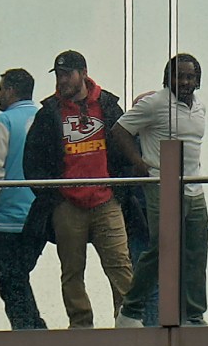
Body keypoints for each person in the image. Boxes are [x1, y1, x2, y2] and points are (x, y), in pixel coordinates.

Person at [21, 49, 142, 327]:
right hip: (67, 203)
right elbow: (33, 160)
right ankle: (80, 324)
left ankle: (129, 320)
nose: (62, 80)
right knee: (72, 270)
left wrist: (118, 191)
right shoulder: (49, 112)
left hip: (106, 200)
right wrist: (54, 196)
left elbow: (126, 148)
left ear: (83, 74)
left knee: (120, 264)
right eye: (59, 75)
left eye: (67, 74)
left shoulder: (109, 106)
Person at [118, 52, 208, 327]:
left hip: (195, 186)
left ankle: (194, 314)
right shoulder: (155, 103)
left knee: (197, 250)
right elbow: (120, 130)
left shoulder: (200, 107)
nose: (184, 81)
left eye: (190, 76)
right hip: (163, 184)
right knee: (162, 246)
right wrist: (137, 162)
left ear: (198, 80)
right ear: (168, 78)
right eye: (179, 76)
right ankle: (131, 309)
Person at [0, 68, 47, 328]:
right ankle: (32, 326)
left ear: (11, 90)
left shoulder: (3, 121)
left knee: (8, 278)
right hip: (39, 216)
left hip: (8, 217)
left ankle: (30, 329)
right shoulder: (44, 117)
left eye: (1, 88)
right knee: (18, 276)